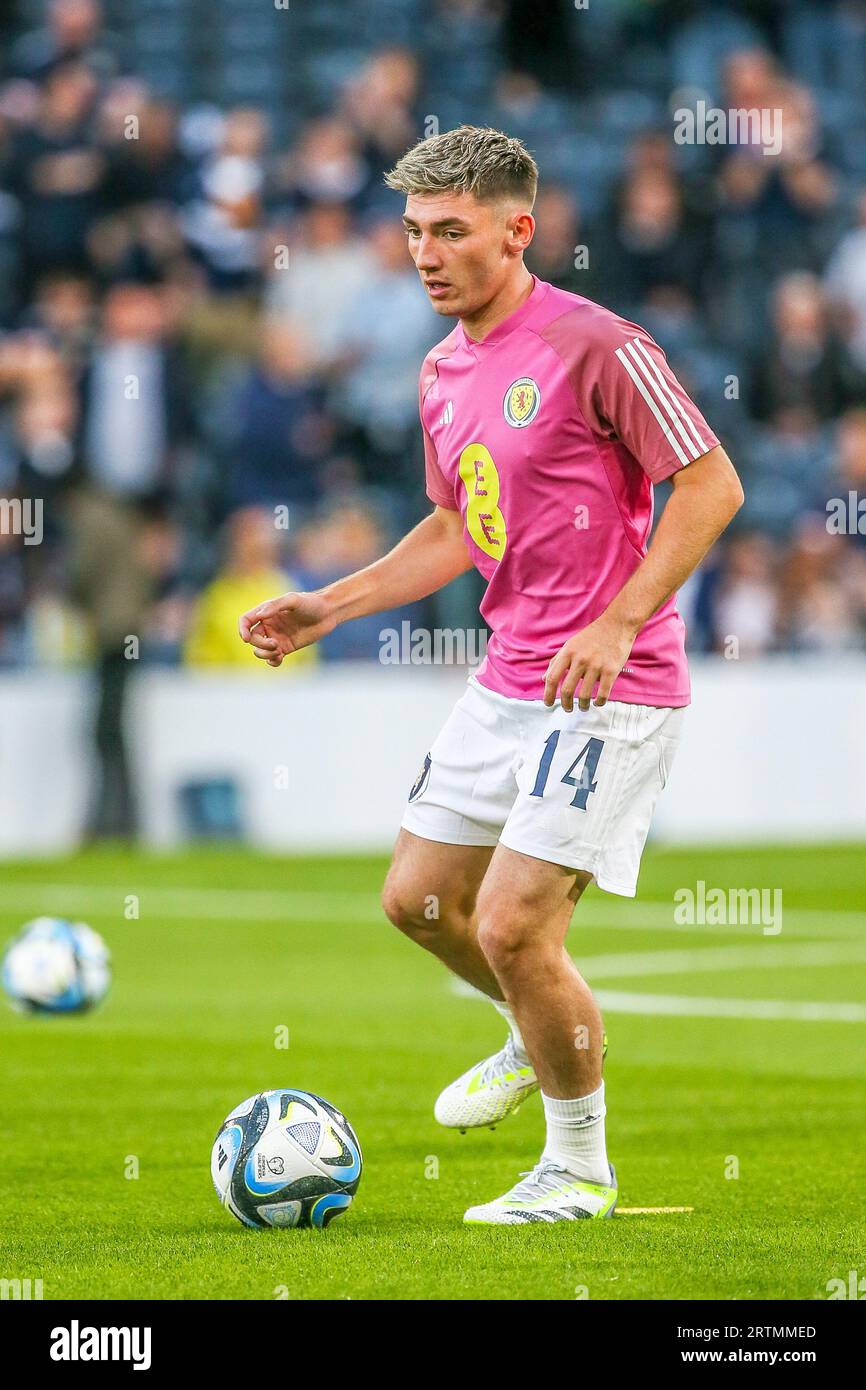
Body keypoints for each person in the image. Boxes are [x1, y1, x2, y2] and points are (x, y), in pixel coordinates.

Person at [238, 126, 743, 1225]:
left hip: (607, 686)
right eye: (414, 231)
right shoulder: (439, 369)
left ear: (517, 232)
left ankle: (577, 1168)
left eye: (450, 231)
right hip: (507, 678)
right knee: (416, 900)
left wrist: (617, 621)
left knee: (516, 928)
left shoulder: (597, 345)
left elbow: (710, 487)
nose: (425, 253)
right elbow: (458, 525)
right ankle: (533, 1030)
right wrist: (330, 601)